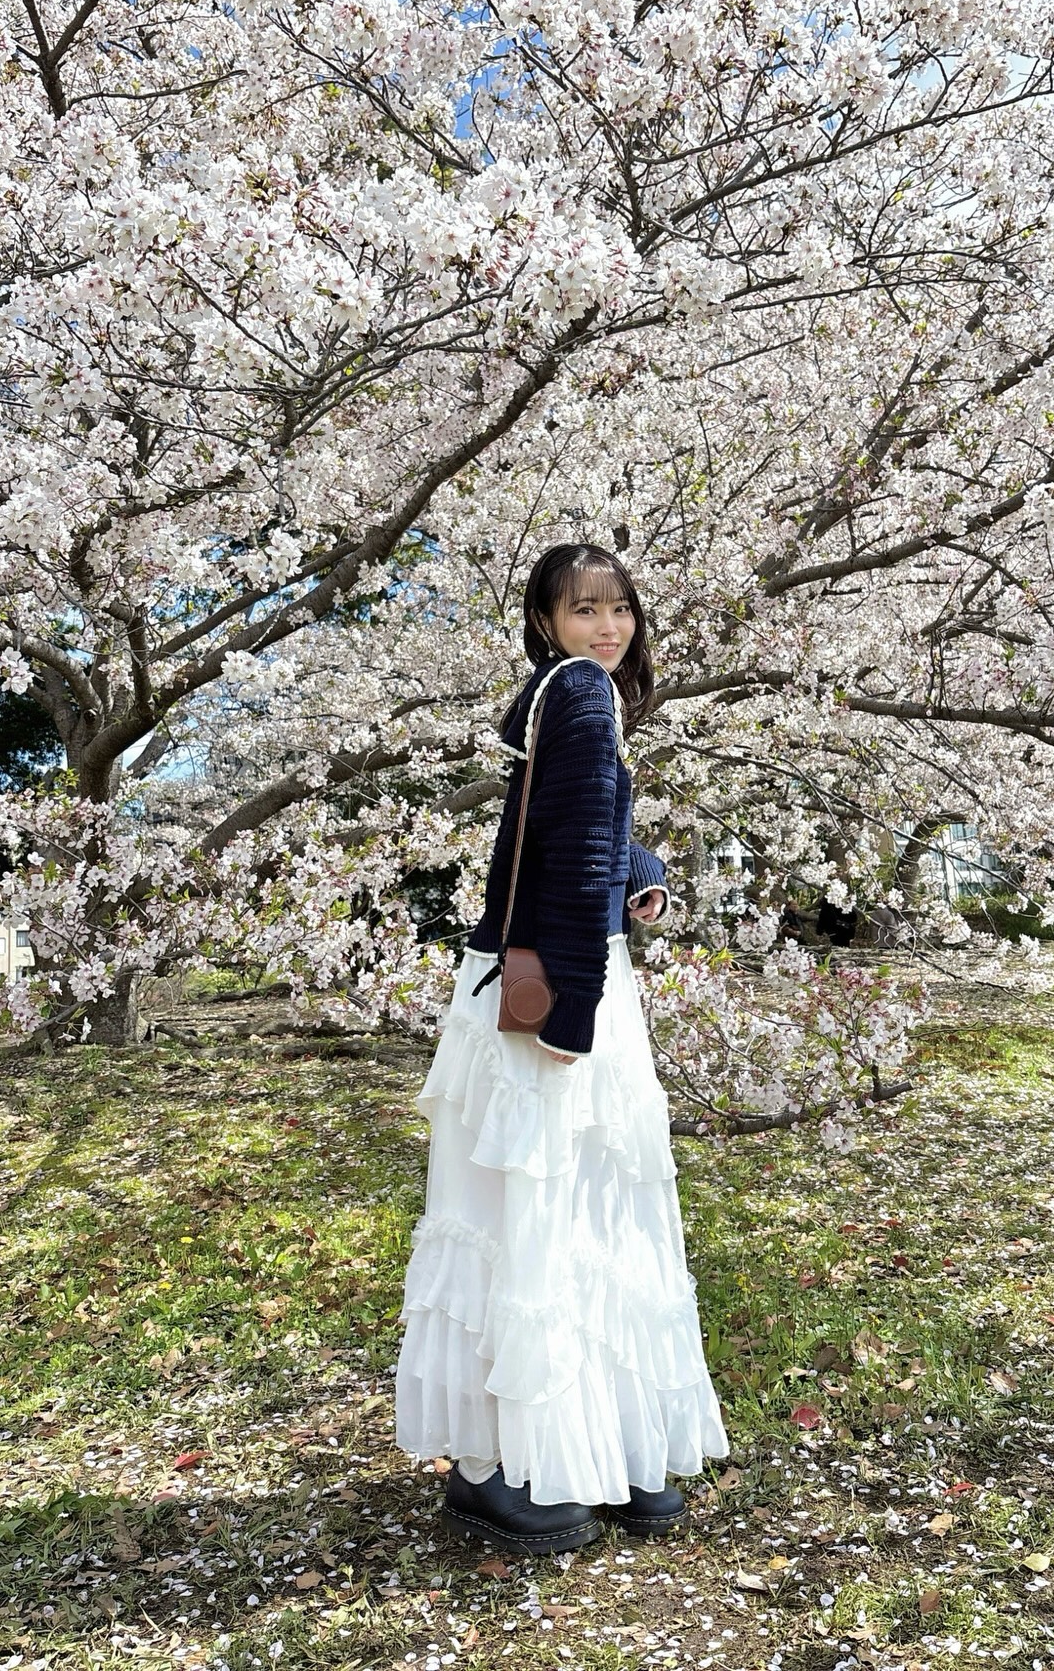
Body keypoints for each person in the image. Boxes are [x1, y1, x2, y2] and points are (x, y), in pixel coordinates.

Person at [393, 543, 730, 1555]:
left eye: (620, 608)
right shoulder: (583, 692)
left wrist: (642, 864)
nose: (608, 627)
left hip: (566, 970)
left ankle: (597, 1449)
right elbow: (573, 854)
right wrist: (574, 1011)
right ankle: (498, 1469)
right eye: (585, 610)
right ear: (546, 620)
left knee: (571, 1209)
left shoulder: (568, 696)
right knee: (553, 1210)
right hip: (557, 987)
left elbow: (580, 827)